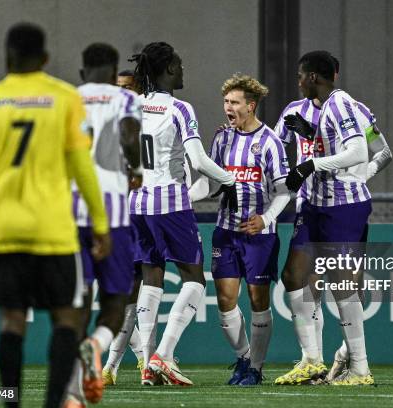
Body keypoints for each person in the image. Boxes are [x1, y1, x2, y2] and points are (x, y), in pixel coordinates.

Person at [0, 23, 110, 408]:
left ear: (7, 56)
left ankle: (11, 404)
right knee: (66, 319)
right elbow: (82, 167)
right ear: (45, 58)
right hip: (54, 230)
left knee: (12, 323)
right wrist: (99, 223)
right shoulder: (63, 98)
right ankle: (51, 403)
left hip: (8, 228)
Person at [273, 56, 392, 384]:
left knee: (342, 284)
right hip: (313, 205)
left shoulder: (342, 104)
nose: (297, 81)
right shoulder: (303, 110)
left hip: (341, 206)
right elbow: (317, 145)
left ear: (313, 76)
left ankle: (360, 368)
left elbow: (366, 152)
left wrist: (350, 175)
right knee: (294, 274)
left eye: (300, 75)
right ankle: (312, 359)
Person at [128, 42, 237, 386]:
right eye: (180, 63)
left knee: (151, 277)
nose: (184, 69)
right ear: (170, 70)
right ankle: (164, 355)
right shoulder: (179, 108)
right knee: (194, 278)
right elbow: (199, 160)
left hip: (137, 202)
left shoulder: (133, 106)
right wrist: (229, 179)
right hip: (170, 203)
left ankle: (148, 365)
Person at [190, 74, 290, 385]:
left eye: (234, 102)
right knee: (225, 298)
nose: (227, 107)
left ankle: (256, 369)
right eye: (226, 102)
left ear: (251, 105)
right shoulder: (221, 139)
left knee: (258, 299)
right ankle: (244, 359)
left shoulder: (270, 142)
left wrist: (266, 219)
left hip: (258, 236)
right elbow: (210, 181)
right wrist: (182, 198)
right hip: (226, 230)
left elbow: (285, 191)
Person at [62, 43, 142, 406]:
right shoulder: (125, 99)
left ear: (82, 72)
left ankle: (75, 388)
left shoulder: (67, 99)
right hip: (112, 213)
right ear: (114, 74)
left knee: (78, 298)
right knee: (117, 299)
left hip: (71, 212)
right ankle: (97, 345)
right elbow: (128, 134)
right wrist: (136, 168)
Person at [101, 69, 147, 387]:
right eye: (118, 89)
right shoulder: (108, 127)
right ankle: (146, 356)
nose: (123, 94)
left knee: (137, 290)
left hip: (149, 215)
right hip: (117, 216)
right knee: (123, 292)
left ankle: (113, 365)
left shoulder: (151, 122)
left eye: (128, 88)